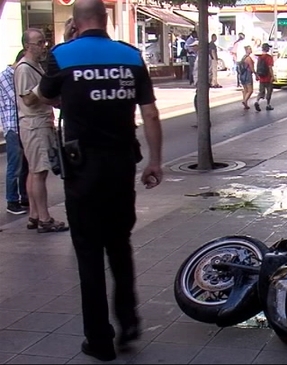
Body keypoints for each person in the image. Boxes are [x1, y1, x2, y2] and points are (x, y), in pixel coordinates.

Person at [36, 0, 163, 360]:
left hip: (82, 170)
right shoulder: (130, 55)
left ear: (76, 23)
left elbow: (45, 97)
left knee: (88, 254)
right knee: (120, 246)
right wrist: (155, 161)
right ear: (106, 20)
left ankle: (99, 340)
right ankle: (130, 321)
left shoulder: (62, 55)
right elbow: (150, 113)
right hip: (121, 167)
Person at [14, 28, 69, 232]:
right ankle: (44, 218)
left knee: (33, 171)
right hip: (34, 124)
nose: (43, 46)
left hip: (38, 122)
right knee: (39, 172)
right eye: (39, 42)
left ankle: (34, 215)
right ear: (27, 45)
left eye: (44, 42)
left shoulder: (35, 66)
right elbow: (27, 98)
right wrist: (44, 88)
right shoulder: (25, 68)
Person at [1, 50, 29, 215]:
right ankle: (12, 200)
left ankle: (24, 196)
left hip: (22, 124)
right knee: (14, 165)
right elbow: (19, 98)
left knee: (25, 164)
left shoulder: (18, 74)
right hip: (12, 126)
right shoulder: (6, 76)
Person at [254, 43, 275, 111]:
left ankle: (257, 101)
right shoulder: (269, 57)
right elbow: (270, 67)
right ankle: (268, 105)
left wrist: (257, 75)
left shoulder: (260, 57)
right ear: (267, 49)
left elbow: (257, 67)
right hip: (268, 77)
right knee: (269, 91)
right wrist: (272, 76)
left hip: (261, 77)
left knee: (261, 91)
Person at [239, 45, 255, 110]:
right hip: (248, 75)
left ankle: (245, 104)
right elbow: (251, 68)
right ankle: (245, 101)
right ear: (247, 50)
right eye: (250, 49)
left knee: (245, 89)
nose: (251, 50)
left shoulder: (243, 57)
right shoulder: (248, 58)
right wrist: (256, 74)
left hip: (242, 75)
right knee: (250, 90)